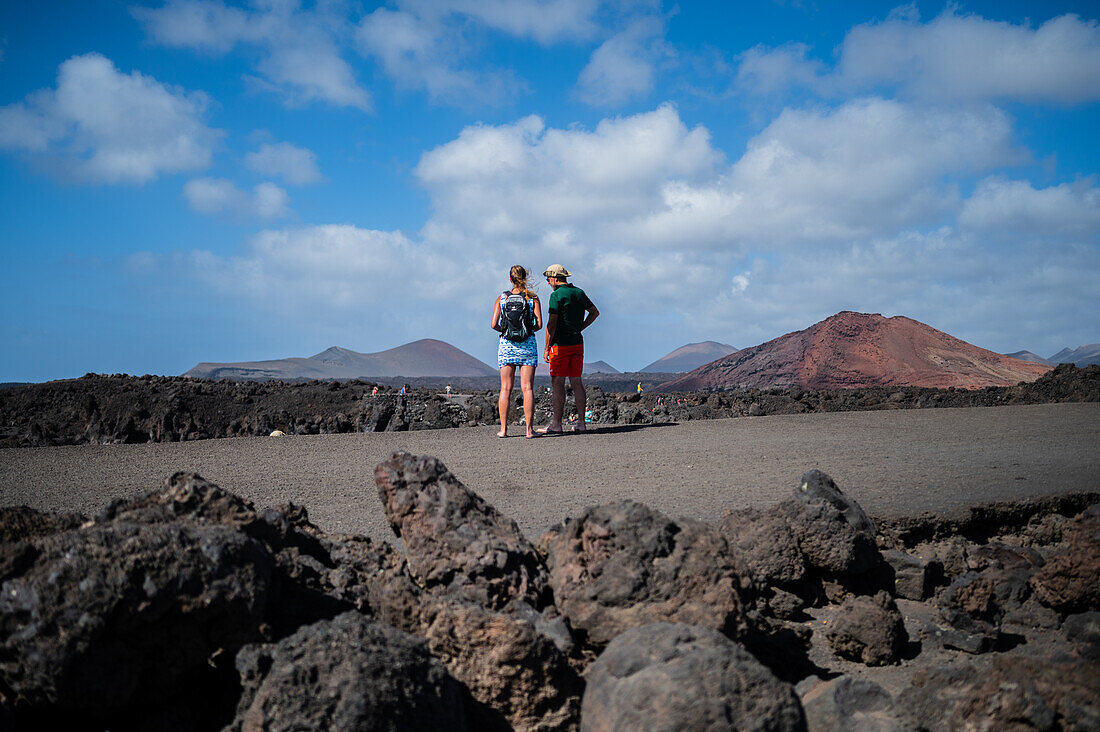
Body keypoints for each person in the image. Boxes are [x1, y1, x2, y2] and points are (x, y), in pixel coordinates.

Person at [537, 264, 599, 434]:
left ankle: (556, 423)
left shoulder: (556, 295)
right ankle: (581, 423)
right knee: (576, 381)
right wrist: (580, 327)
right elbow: (594, 312)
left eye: (548, 279)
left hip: (560, 345)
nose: (548, 282)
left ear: (556, 278)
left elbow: (552, 324)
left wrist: (546, 347)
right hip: (577, 343)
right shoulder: (579, 293)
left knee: (557, 383)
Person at [491, 265, 543, 438]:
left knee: (505, 388)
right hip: (527, 344)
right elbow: (539, 324)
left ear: (511, 279)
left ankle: (504, 430)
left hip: (506, 345)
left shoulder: (502, 298)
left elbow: (493, 324)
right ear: (524, 277)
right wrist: (527, 329)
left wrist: (504, 331)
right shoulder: (532, 298)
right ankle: (529, 430)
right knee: (527, 388)